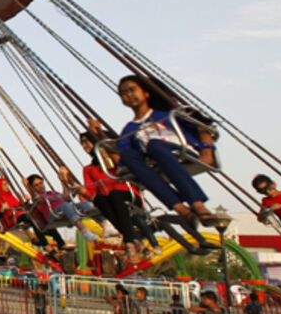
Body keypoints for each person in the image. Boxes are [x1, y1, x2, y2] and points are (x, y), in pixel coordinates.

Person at [92, 75, 216, 226]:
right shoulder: (129, 129)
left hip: (180, 151)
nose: (129, 95)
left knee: (154, 145)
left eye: (132, 90)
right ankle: (180, 208)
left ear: (146, 93)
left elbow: (202, 127)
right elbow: (120, 158)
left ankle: (197, 203)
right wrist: (98, 134)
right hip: (153, 159)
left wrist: (207, 153)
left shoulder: (166, 114)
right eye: (124, 93)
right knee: (130, 154)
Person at [79, 132, 140, 259]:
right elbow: (90, 191)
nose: (85, 145)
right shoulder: (88, 169)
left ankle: (130, 239)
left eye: (87, 141)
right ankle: (131, 239)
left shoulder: (111, 159)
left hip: (129, 195)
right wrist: (70, 183)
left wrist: (98, 134)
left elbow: (123, 157)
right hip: (110, 202)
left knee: (114, 194)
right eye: (82, 143)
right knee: (100, 200)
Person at [26, 174, 100, 252]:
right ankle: (84, 231)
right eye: (36, 185)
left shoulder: (53, 193)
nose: (40, 186)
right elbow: (33, 195)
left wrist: (63, 182)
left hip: (65, 210)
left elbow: (66, 198)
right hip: (53, 215)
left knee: (85, 204)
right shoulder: (38, 197)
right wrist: (27, 186)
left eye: (41, 183)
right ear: (33, 188)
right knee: (66, 206)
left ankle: (104, 224)